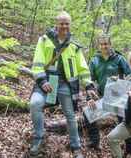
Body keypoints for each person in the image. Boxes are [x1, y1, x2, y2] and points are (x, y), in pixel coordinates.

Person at [29, 11, 98, 157]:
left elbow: (83, 69)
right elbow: (37, 63)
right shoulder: (44, 40)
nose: (64, 26)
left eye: (67, 24)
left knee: (70, 115)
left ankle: (75, 145)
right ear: (56, 24)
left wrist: (89, 85)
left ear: (71, 25)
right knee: (35, 104)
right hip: (45, 82)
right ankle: (39, 137)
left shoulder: (74, 47)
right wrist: (42, 80)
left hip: (66, 85)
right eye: (61, 23)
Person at [84, 34, 131, 155]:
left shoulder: (119, 59)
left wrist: (120, 80)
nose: (104, 46)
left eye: (106, 44)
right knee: (88, 113)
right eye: (101, 44)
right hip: (102, 95)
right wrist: (89, 98)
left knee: (125, 120)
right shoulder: (94, 61)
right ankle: (94, 140)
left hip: (119, 96)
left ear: (110, 44)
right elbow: (89, 82)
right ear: (99, 46)